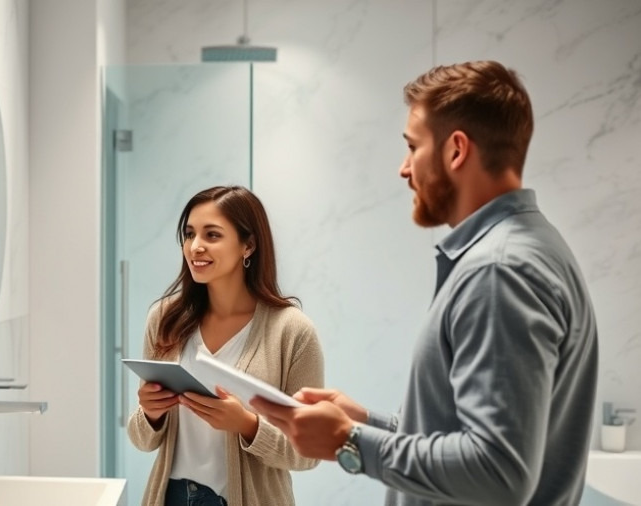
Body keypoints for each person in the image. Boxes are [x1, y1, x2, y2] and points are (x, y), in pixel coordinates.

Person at [251, 60, 599, 505]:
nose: (403, 169)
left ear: (456, 150)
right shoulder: (531, 246)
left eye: (412, 147)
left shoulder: (500, 270)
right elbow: (467, 438)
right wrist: (364, 422)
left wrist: (348, 442)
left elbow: (498, 471)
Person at [127, 185, 325, 506]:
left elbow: (309, 451)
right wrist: (150, 413)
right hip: (170, 496)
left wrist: (247, 425)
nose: (195, 247)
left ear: (248, 245)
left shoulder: (292, 331)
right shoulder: (165, 319)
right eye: (189, 234)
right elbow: (141, 439)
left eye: (212, 235)